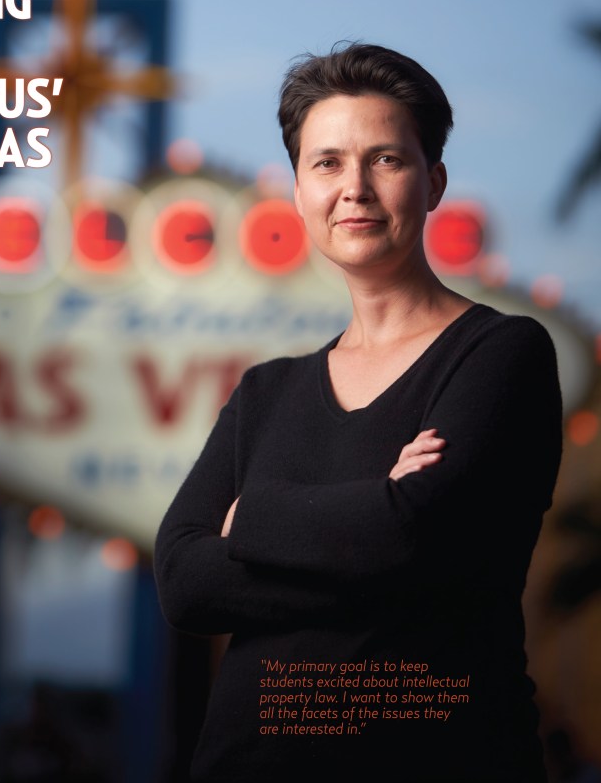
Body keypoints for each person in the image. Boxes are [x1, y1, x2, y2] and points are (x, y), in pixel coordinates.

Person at [153, 43, 563, 783]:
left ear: (434, 181)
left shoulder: (503, 354)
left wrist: (255, 521)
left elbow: (415, 539)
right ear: (298, 190)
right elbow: (184, 579)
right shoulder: (264, 393)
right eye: (328, 163)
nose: (355, 189)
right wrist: (371, 517)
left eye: (386, 160)